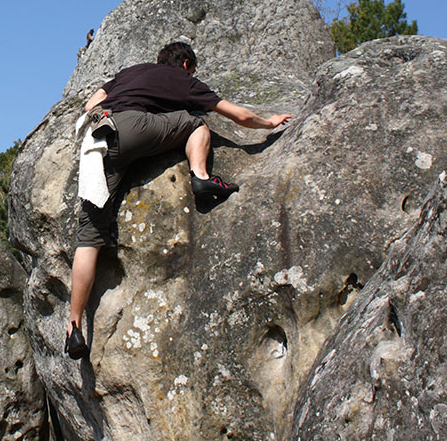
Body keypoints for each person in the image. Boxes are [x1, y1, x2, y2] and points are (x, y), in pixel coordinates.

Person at [64, 41, 292, 360]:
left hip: (97, 139)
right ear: (185, 64)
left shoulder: (131, 71)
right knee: (197, 123)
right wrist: (268, 123)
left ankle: (74, 327)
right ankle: (200, 176)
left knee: (89, 239)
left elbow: (94, 100)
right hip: (134, 128)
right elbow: (236, 115)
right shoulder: (184, 80)